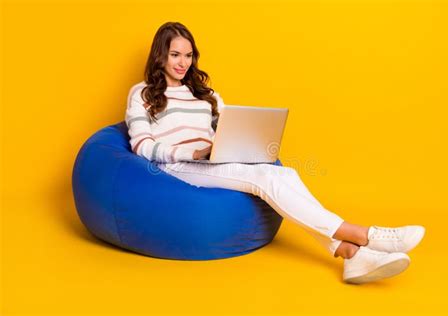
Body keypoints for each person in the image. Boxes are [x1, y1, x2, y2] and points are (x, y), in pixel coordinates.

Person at [125, 21, 425, 284]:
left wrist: (231, 146)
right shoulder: (143, 93)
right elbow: (142, 145)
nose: (182, 63)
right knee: (263, 178)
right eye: (175, 54)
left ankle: (350, 253)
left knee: (284, 172)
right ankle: (364, 235)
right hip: (179, 167)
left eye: (188, 55)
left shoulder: (207, 94)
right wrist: (192, 152)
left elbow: (232, 126)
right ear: (159, 55)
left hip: (214, 160)